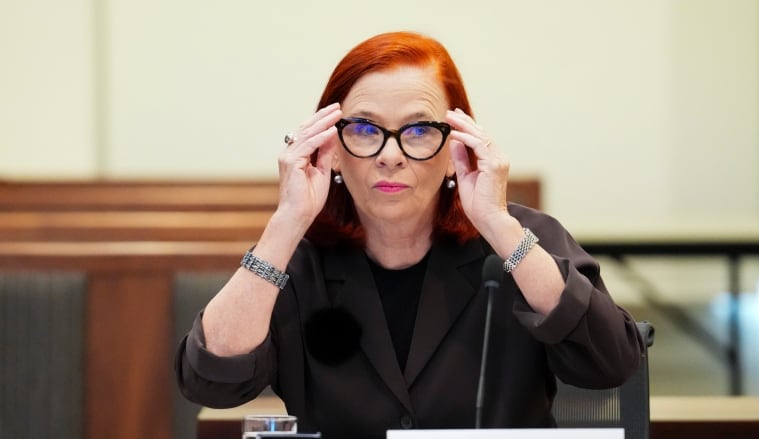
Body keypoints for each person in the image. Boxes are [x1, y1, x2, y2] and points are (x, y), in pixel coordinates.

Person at [175, 31, 642, 438]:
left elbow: (611, 364)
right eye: (364, 129)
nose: (390, 156)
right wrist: (285, 223)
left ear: (456, 144)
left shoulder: (523, 239)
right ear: (331, 147)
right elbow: (211, 383)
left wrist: (500, 227)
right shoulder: (297, 259)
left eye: (418, 130)